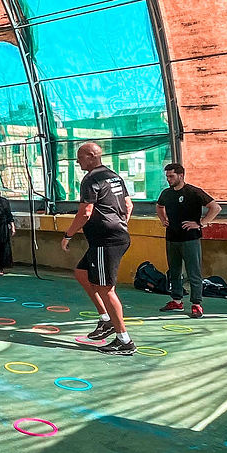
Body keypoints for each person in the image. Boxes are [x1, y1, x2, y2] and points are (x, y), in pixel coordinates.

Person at [61, 142, 135, 356]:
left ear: (92, 156)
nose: (78, 161)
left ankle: (124, 340)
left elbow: (85, 212)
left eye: (80, 157)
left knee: (106, 288)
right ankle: (106, 319)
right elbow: (128, 205)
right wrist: (121, 224)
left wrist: (68, 234)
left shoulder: (91, 179)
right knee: (82, 273)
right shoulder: (114, 176)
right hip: (112, 236)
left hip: (106, 240)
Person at [156, 164, 222, 319]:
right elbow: (159, 207)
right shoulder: (166, 193)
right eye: (167, 177)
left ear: (181, 175)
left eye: (171, 176)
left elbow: (215, 208)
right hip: (172, 237)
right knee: (174, 271)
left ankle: (196, 304)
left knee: (194, 272)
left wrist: (201, 223)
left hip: (190, 239)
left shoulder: (193, 192)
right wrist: (163, 219)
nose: (168, 179)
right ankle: (176, 300)